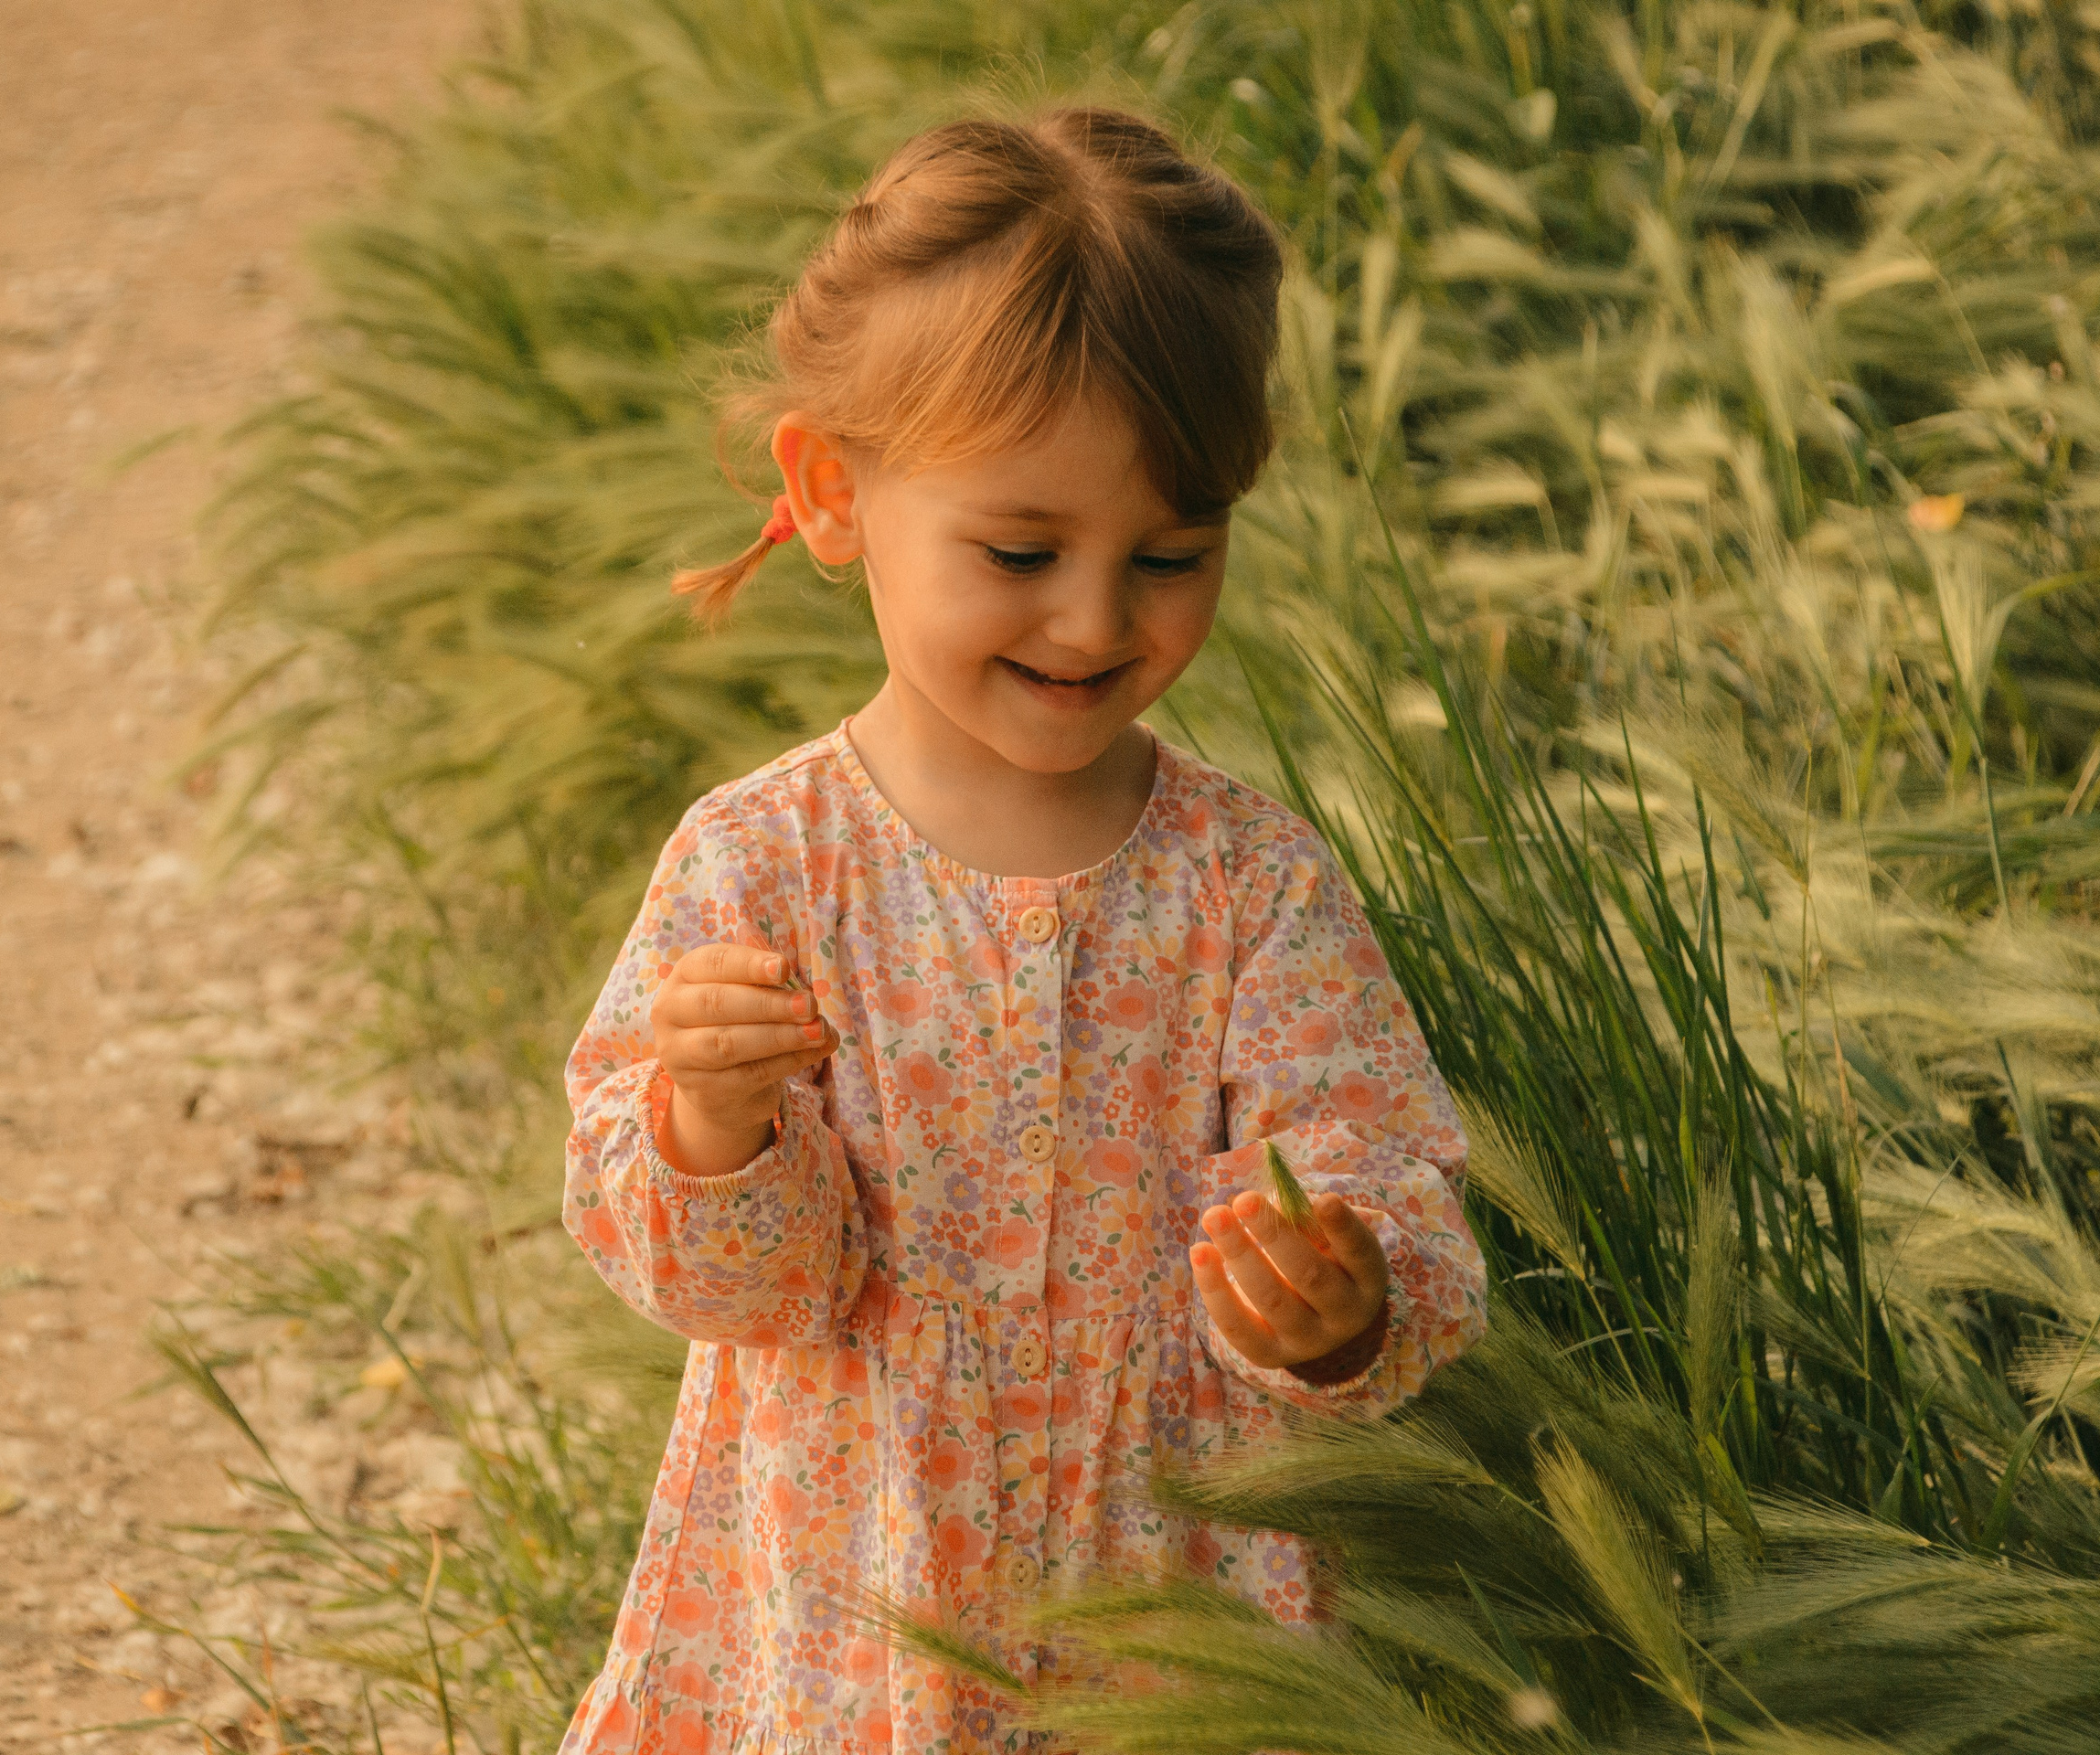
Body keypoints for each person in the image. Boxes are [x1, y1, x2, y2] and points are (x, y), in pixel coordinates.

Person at [558, 107, 1486, 1755]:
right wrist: (713, 1125)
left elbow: (1378, 1172)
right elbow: (735, 1287)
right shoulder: (764, 867)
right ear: (833, 494)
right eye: (1021, 548)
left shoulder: (1249, 885)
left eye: (1171, 555)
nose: (1094, 617)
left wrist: (1341, 1302)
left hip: (1176, 1598)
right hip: (865, 1589)